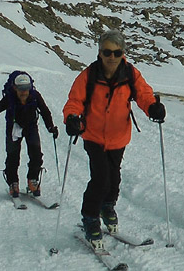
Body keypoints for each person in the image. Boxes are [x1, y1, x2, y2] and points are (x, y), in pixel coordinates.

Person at [62, 29, 166, 247]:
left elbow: (143, 94)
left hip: (119, 137)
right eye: (107, 52)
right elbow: (75, 101)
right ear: (100, 53)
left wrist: (153, 108)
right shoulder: (88, 76)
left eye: (116, 52)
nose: (111, 57)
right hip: (93, 135)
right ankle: (90, 217)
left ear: (122, 53)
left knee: (114, 178)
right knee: (100, 178)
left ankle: (107, 206)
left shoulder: (130, 74)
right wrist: (72, 117)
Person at [0, 71, 59, 198]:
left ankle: (32, 180)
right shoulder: (10, 97)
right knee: (13, 155)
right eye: (20, 88)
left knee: (36, 153)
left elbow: (45, 111)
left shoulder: (35, 96)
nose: (24, 92)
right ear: (15, 88)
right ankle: (13, 183)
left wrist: (50, 127)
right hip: (14, 127)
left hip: (31, 126)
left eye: (26, 88)